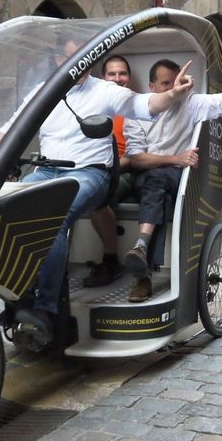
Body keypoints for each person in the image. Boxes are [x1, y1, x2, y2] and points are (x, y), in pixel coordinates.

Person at [0, 35, 194, 350]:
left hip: (91, 173)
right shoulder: (44, 93)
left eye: (85, 57)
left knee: (53, 216)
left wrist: (172, 93)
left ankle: (46, 312)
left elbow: (146, 105)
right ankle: (19, 299)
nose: (80, 63)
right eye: (71, 57)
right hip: (47, 170)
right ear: (57, 61)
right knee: (5, 210)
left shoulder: (105, 91)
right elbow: (11, 127)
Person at [123, 51, 222, 302]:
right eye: (167, 83)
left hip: (179, 177)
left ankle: (142, 255)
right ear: (152, 86)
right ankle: (143, 265)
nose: (176, 87)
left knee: (159, 182)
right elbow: (137, 159)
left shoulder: (192, 102)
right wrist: (175, 158)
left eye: (179, 81)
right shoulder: (138, 109)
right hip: (150, 176)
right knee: (157, 187)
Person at [83, 55, 142, 287]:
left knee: (97, 196)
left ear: (128, 77)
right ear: (103, 77)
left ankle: (110, 261)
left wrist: (110, 165)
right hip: (92, 165)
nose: (117, 79)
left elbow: (135, 155)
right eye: (111, 74)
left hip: (124, 169)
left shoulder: (136, 106)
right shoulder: (94, 105)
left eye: (122, 73)